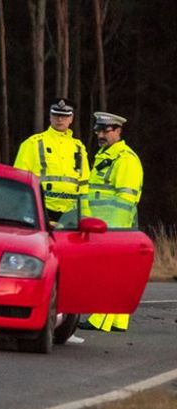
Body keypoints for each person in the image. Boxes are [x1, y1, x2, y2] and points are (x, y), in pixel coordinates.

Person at [81, 111, 144, 333]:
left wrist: (115, 231)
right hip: (104, 225)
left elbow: (125, 200)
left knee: (107, 273)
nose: (100, 134)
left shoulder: (125, 159)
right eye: (98, 130)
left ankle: (100, 319)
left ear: (118, 131)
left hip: (113, 227)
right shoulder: (107, 156)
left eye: (105, 131)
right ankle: (118, 321)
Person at [13, 98, 89, 225]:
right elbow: (20, 180)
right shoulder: (33, 143)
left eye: (64, 116)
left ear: (71, 119)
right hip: (40, 211)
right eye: (56, 115)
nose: (60, 119)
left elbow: (84, 184)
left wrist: (85, 214)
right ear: (50, 117)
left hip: (70, 214)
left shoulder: (79, 147)